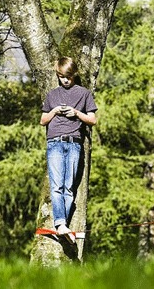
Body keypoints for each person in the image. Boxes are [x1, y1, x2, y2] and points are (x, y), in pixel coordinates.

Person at [40, 56, 97, 243]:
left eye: (69, 77)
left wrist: (76, 113)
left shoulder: (84, 94)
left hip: (74, 143)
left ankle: (63, 224)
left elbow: (93, 120)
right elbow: (43, 121)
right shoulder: (52, 95)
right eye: (61, 77)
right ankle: (61, 224)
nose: (65, 80)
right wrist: (55, 111)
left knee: (69, 188)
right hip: (54, 142)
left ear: (74, 75)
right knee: (57, 186)